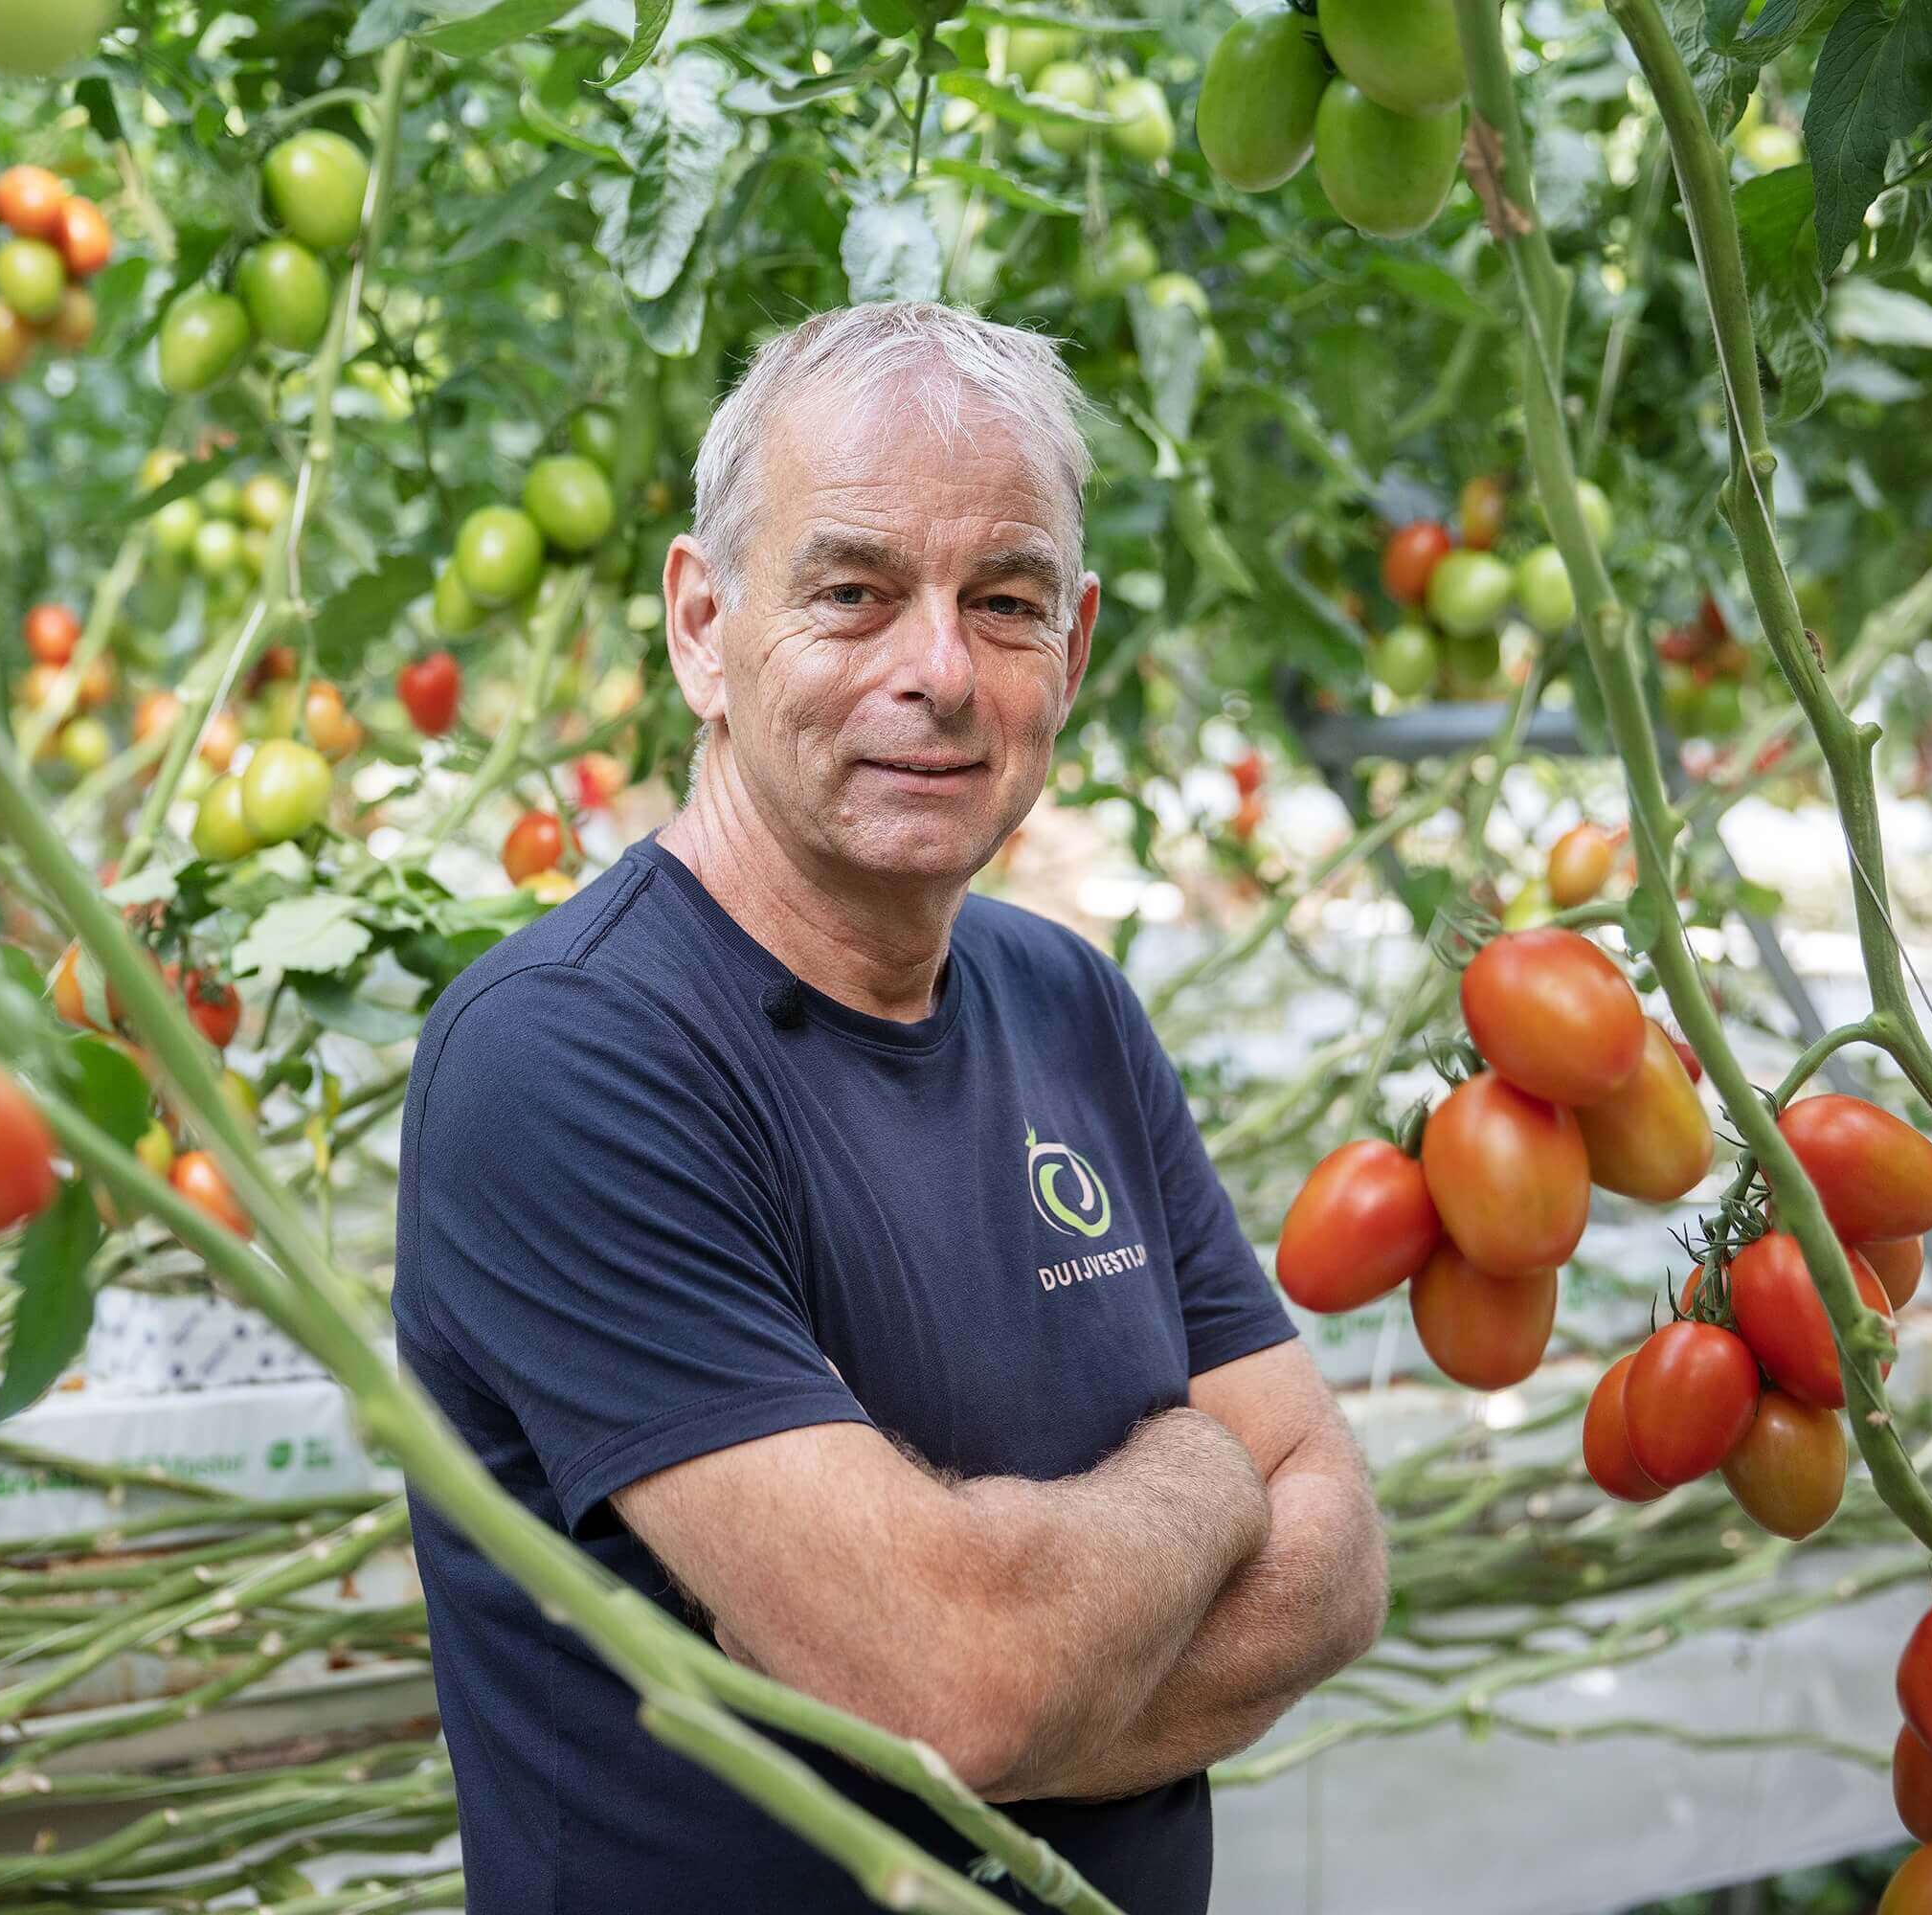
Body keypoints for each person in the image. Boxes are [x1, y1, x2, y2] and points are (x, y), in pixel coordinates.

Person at [393, 300, 1387, 1912]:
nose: (937, 672)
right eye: (852, 594)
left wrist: (1014, 1680)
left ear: (1068, 656)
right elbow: (953, 1684)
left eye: (1003, 603)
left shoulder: (1068, 1004)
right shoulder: (567, 1057)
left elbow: (1338, 1562)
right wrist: (1207, 1478)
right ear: (703, 627)